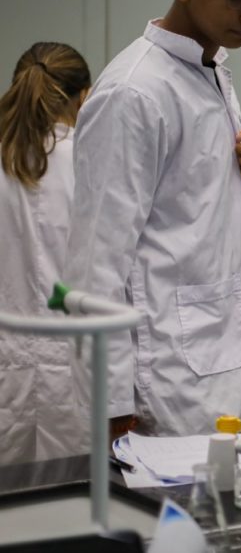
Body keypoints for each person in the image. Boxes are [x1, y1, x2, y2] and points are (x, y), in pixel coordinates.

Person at [65, 0, 241, 438]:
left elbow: (196, 224)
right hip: (170, 390)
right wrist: (110, 407)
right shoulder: (134, 92)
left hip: (229, 367)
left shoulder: (211, 72)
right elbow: (95, 266)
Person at [0, 42, 91, 464]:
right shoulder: (91, 163)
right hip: (76, 373)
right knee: (76, 494)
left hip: (7, 370)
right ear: (85, 97)